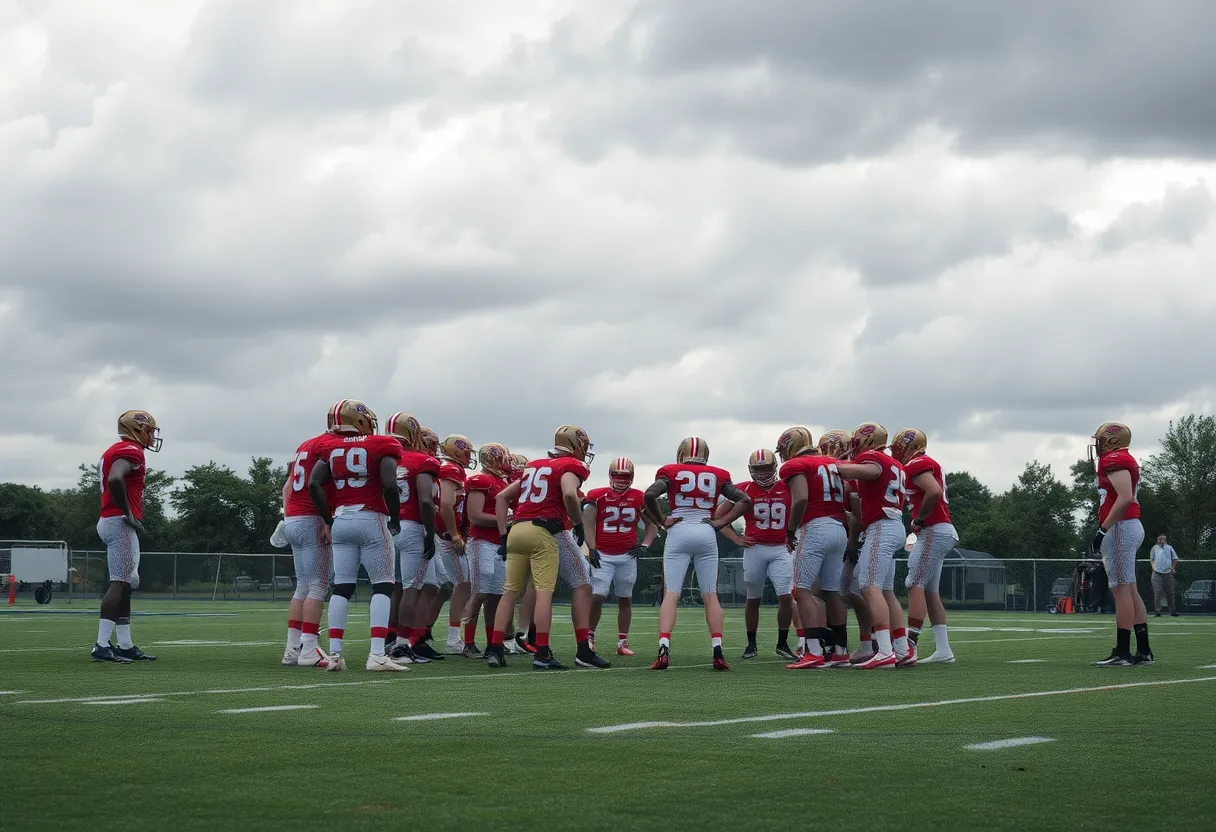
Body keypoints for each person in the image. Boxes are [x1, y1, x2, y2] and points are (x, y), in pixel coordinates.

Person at [308, 399, 408, 672]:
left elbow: (314, 483)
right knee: (383, 585)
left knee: (342, 586)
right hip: (371, 517)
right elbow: (388, 483)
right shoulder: (381, 444)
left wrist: (328, 518)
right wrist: (396, 518)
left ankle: (335, 655)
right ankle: (376, 654)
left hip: (341, 519)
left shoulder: (329, 446)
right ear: (362, 419)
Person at [485, 426, 595, 670]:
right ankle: (549, 652)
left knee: (510, 591)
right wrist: (577, 523)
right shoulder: (570, 466)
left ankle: (494, 649)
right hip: (544, 530)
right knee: (557, 589)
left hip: (517, 531)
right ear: (577, 445)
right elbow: (568, 494)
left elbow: (502, 497)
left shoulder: (534, 465)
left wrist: (503, 535)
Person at [644, 437, 752, 671]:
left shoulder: (671, 471)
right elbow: (744, 499)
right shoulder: (717, 474)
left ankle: (664, 648)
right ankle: (717, 649)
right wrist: (721, 521)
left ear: (681, 453)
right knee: (710, 595)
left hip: (679, 530)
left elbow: (650, 495)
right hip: (705, 531)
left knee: (671, 594)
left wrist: (662, 520)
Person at [835, 423, 912, 669]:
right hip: (894, 525)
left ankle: (885, 651)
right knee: (885, 590)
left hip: (881, 526)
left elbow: (869, 471)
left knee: (869, 586)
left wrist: (830, 465)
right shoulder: (896, 464)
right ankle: (901, 649)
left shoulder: (873, 458)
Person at [775, 429, 849, 670]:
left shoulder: (794, 465)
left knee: (802, 590)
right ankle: (840, 651)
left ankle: (814, 651)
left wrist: (790, 530)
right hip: (839, 527)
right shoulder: (833, 462)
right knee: (831, 590)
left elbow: (801, 499)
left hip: (815, 527)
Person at [91, 410, 161, 663]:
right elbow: (115, 479)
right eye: (149, 430)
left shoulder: (117, 449)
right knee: (120, 583)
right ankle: (101, 644)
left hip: (111, 520)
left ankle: (125, 644)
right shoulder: (132, 451)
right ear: (137, 429)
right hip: (118, 522)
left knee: (126, 585)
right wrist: (128, 513)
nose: (152, 435)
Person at [715, 448, 797, 660]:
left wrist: (794, 535)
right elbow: (718, 517)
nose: (762, 473)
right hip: (755, 548)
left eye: (766, 468)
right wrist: (736, 539)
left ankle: (782, 643)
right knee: (753, 598)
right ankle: (751, 644)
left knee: (786, 596)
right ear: (751, 469)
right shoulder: (743, 489)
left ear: (774, 467)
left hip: (781, 548)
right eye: (758, 469)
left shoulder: (788, 487)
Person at [890, 428, 959, 665]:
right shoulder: (925, 462)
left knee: (914, 583)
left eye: (898, 447)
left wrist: (919, 519)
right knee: (929, 591)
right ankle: (943, 649)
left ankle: (910, 644)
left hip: (934, 530)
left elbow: (934, 491)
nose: (895, 452)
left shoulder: (917, 463)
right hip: (941, 529)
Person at [282, 414, 344, 668]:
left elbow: (287, 487)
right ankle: (308, 649)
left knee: (303, 586)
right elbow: (319, 486)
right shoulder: (329, 447)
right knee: (318, 585)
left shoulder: (305, 445)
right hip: (311, 518)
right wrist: (325, 519)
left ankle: (292, 649)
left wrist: (288, 517)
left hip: (293, 517)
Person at [1090, 422, 1153, 666]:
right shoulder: (1122, 458)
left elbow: (1125, 497)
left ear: (1111, 440)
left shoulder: (1113, 460)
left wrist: (1103, 528)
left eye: (1100, 439)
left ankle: (1123, 653)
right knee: (1130, 588)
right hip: (1127, 526)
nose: (1097, 444)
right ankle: (1144, 650)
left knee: (1121, 588)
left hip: (1120, 527)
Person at [583, 457, 658, 657]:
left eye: (625, 476)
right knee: (598, 596)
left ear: (632, 477)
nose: (621, 480)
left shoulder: (638, 497)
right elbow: (587, 522)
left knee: (625, 599)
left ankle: (622, 642)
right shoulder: (597, 496)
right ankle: (589, 637)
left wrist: (645, 545)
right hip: (603, 554)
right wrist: (591, 547)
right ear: (610, 475)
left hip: (627, 555)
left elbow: (652, 524)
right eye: (617, 475)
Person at [384, 413, 441, 664]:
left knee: (395, 586)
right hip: (411, 527)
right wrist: (429, 532)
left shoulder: (383, 458)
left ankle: (388, 638)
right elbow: (426, 500)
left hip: (386, 527)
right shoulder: (423, 460)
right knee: (411, 588)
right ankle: (401, 646)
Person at [463, 443, 513, 657]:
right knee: (481, 591)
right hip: (481, 542)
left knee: (496, 596)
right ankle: (467, 642)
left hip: (499, 544)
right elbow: (475, 516)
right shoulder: (481, 480)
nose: (507, 462)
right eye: (504, 458)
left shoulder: (502, 481)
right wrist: (508, 521)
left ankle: (494, 643)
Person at [434, 435, 476, 654]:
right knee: (464, 583)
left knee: (460, 583)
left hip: (445, 532)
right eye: (467, 452)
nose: (470, 457)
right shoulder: (451, 469)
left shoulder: (450, 468)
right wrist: (454, 534)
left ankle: (423, 636)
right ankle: (452, 639)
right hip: (446, 535)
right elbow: (446, 504)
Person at [1149, 534, 1180, 617]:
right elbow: (1151, 559)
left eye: (1161, 539)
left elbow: (1175, 559)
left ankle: (1172, 610)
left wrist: (1172, 569)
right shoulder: (1154, 548)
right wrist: (1154, 568)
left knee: (1170, 592)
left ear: (1164, 540)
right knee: (1157, 592)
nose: (1159, 540)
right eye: (1159, 539)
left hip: (1168, 573)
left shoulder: (1169, 548)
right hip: (1157, 573)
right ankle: (1157, 611)